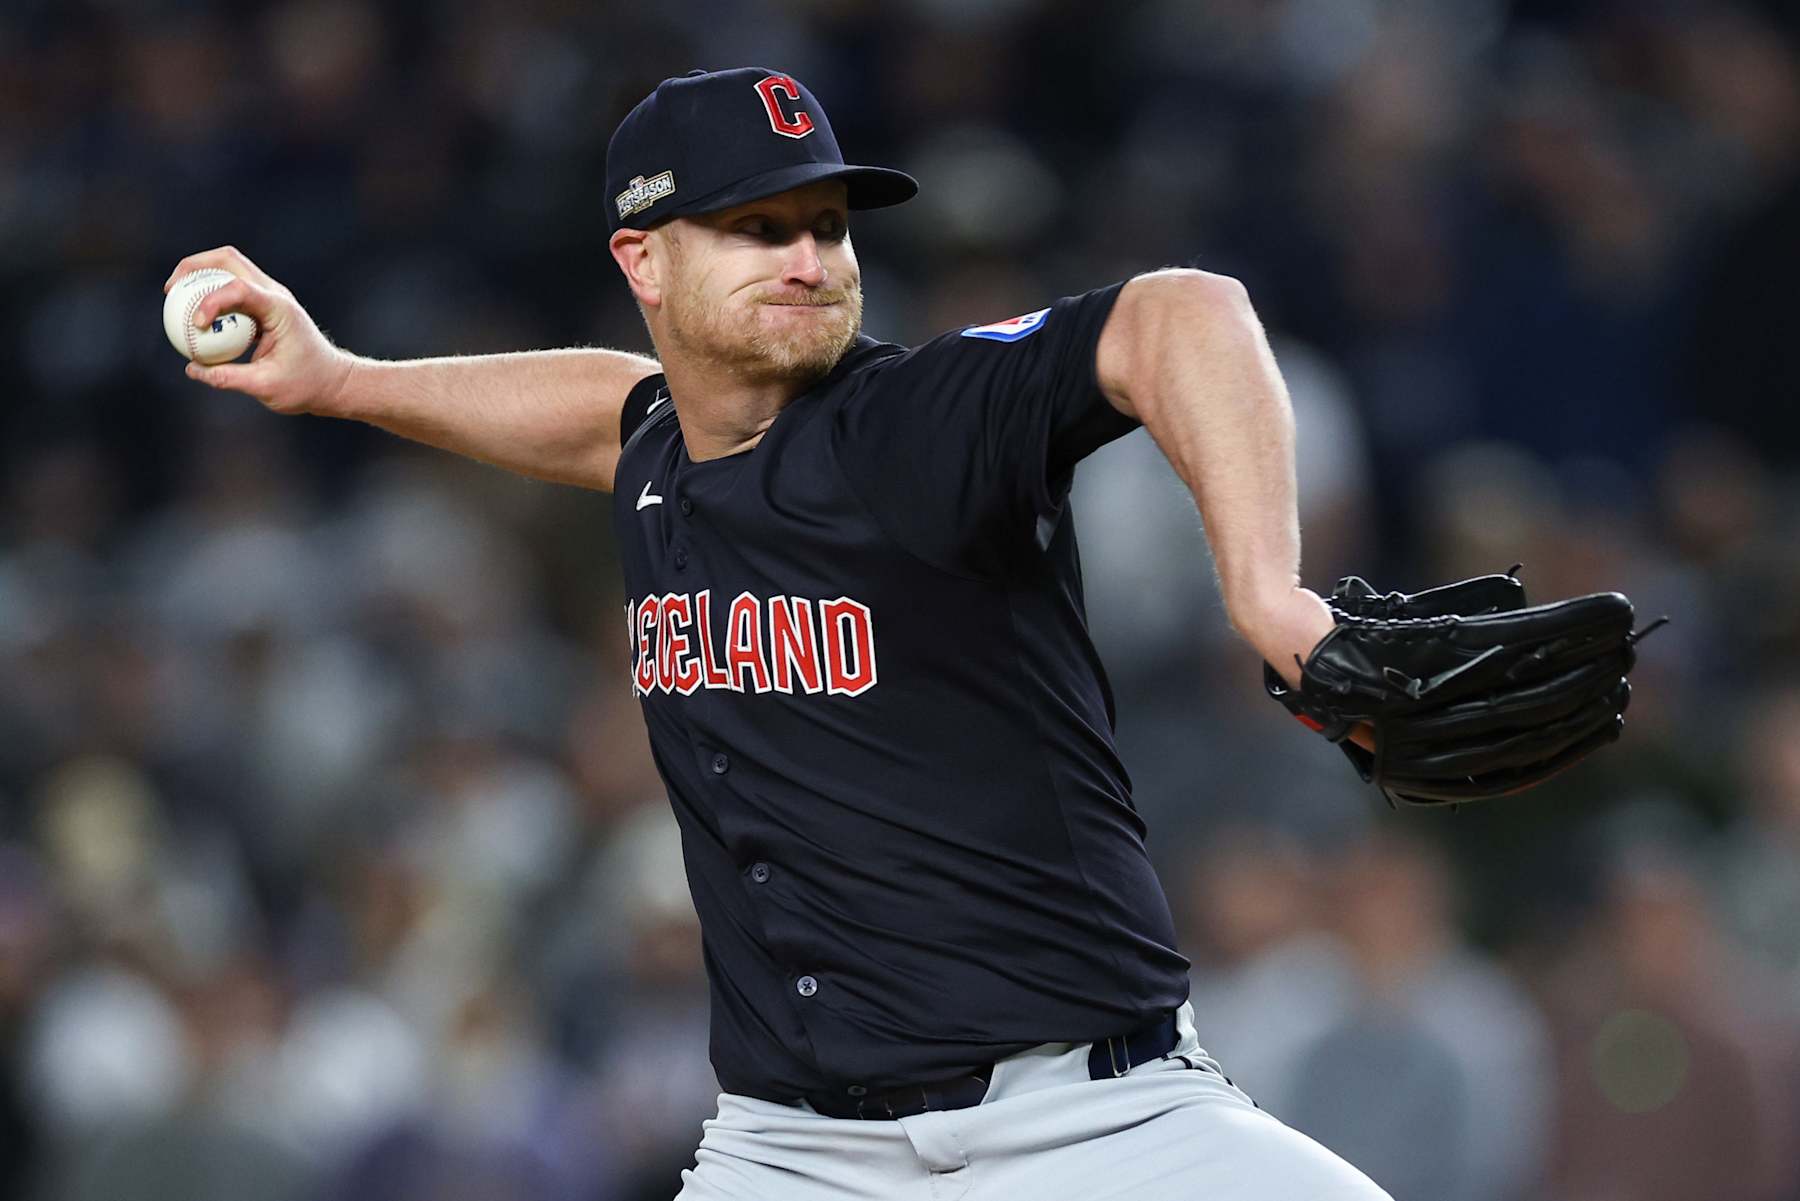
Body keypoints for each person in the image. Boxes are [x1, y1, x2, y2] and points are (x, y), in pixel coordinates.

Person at [168, 67, 1388, 1201]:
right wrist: (340, 381)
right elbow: (607, 405)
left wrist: (1268, 592)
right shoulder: (659, 447)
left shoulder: (916, 425)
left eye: (828, 226)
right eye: (759, 229)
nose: (809, 259)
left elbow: (1182, 313)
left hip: (1090, 1123)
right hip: (795, 1149)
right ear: (643, 261)